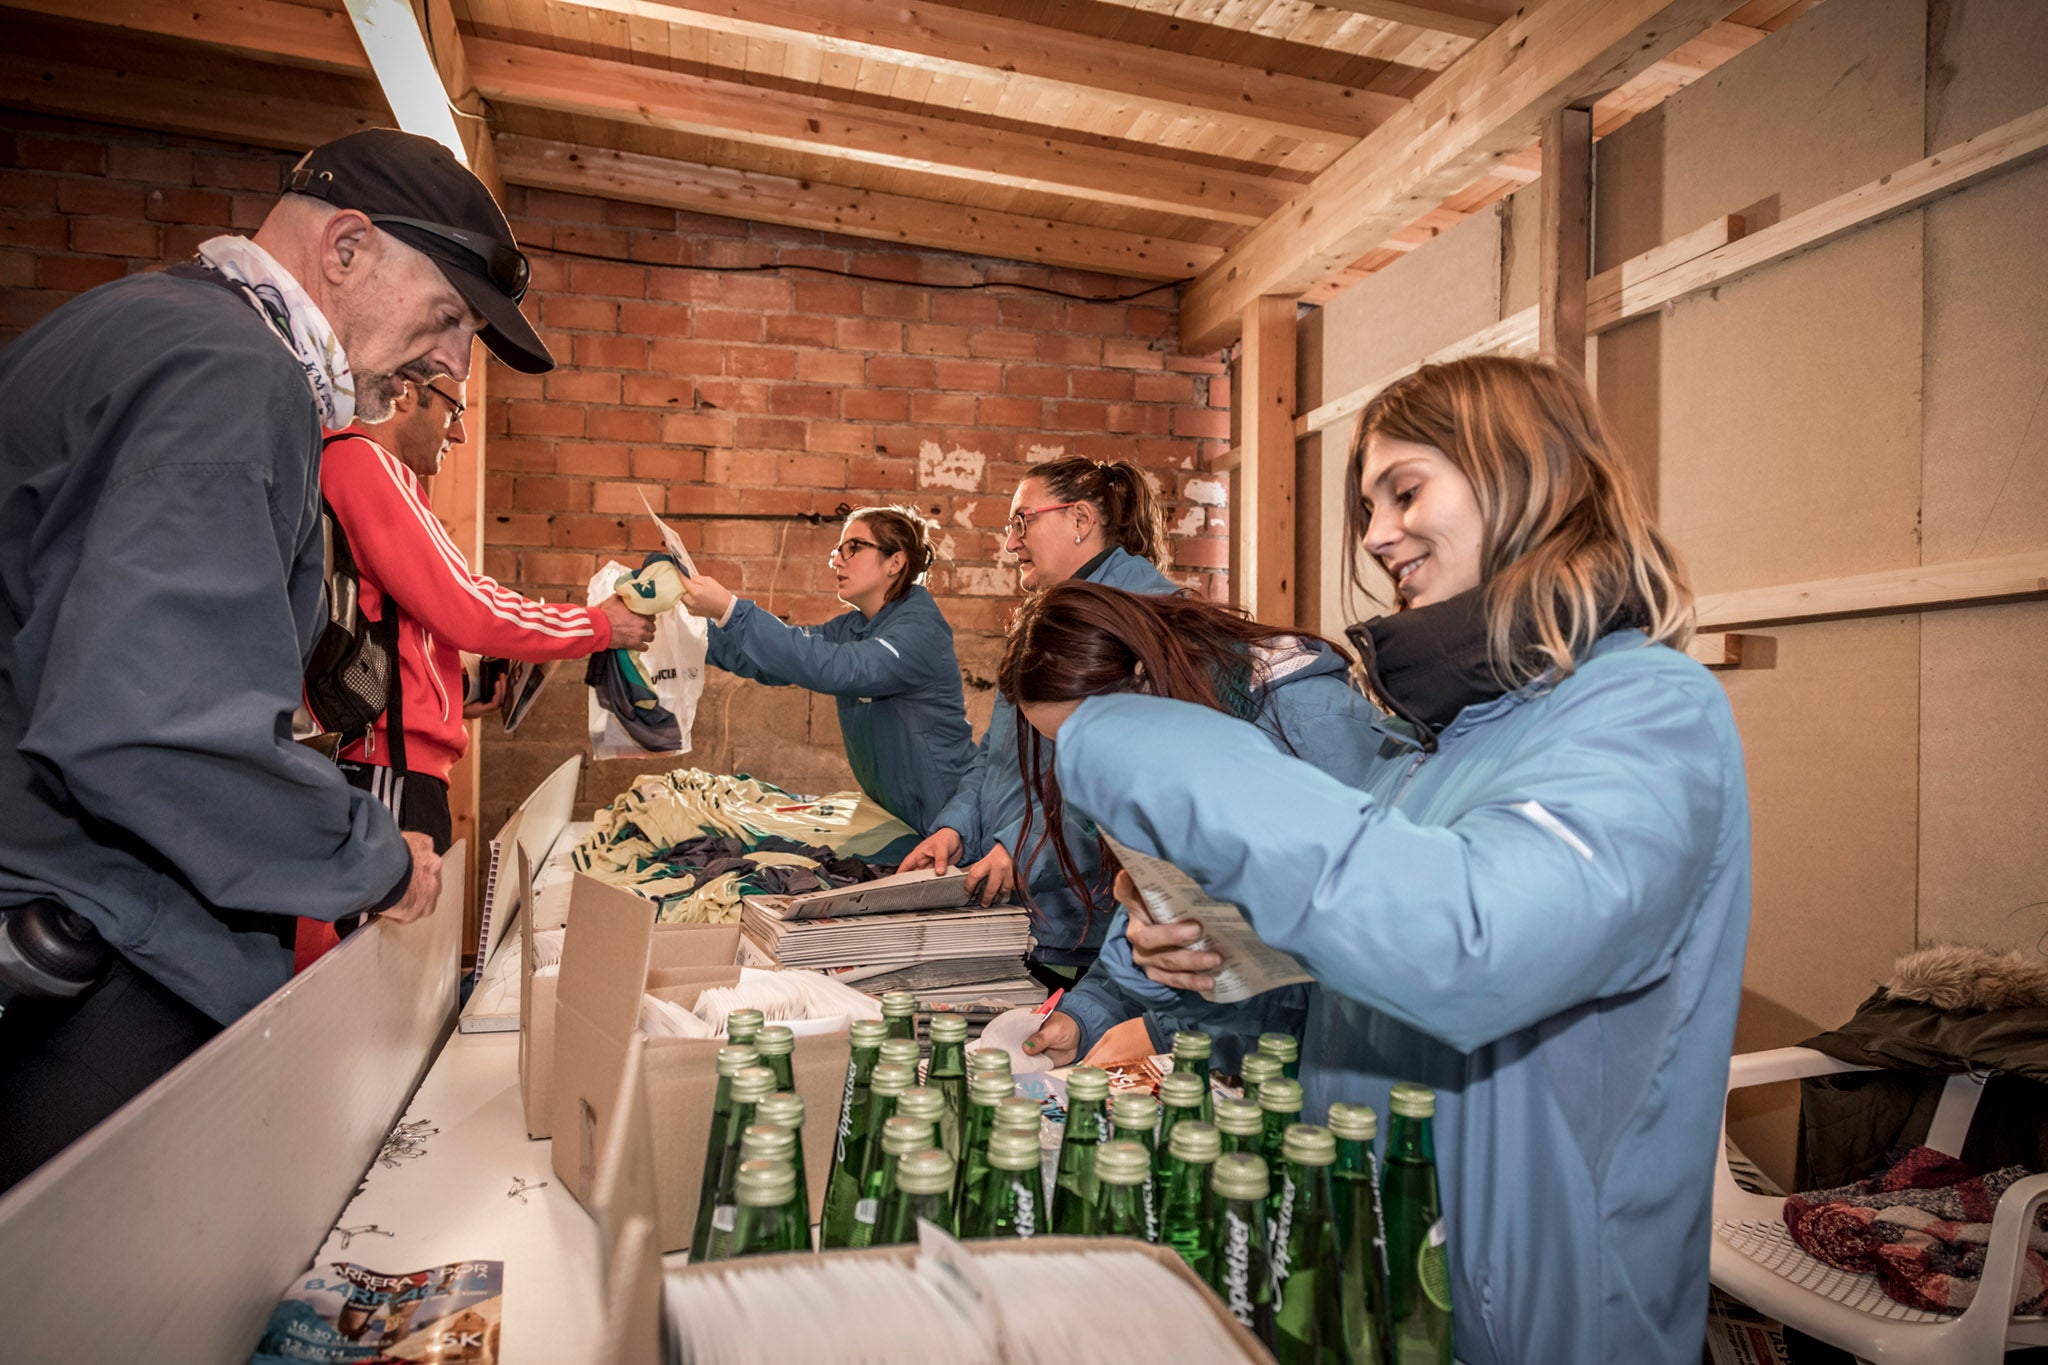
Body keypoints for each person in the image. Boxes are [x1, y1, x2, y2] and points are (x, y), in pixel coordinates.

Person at [1040, 356, 1751, 1365]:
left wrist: (1132, 737)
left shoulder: (1647, 711)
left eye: (1405, 491)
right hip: (1390, 1280)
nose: (1375, 537)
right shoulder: (1449, 737)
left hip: (1539, 1323)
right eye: (1368, 507)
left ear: (1525, 479)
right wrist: (1243, 949)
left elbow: (1472, 947)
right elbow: (1384, 925)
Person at [0, 127, 554, 1191]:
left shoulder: (128, 327)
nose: (448, 364)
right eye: (447, 318)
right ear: (345, 247)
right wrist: (376, 856)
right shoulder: (228, 373)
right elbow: (157, 727)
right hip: (83, 939)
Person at [981, 580, 1381, 1068]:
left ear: (1142, 681)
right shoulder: (1157, 748)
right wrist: (1089, 1014)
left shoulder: (1313, 726)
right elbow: (1158, 923)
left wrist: (1166, 1031)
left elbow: (1349, 953)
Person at [322, 374, 654, 854]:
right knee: (375, 928)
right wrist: (599, 625)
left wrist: (452, 691)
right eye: (454, 412)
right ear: (408, 391)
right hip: (382, 769)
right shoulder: (363, 462)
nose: (458, 433)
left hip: (383, 765)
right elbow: (467, 606)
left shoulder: (357, 465)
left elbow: (388, 620)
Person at [899, 456, 1178, 986]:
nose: (1010, 543)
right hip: (1031, 899)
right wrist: (958, 827)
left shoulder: (1145, 618)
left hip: (1090, 922)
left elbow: (1121, 786)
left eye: (1022, 522)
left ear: (1079, 521)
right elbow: (996, 752)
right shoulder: (1048, 614)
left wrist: (1022, 847)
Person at [672, 506, 972, 834]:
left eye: (853, 548)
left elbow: (839, 668)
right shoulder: (855, 627)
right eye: (838, 551)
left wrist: (731, 610)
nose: (838, 560)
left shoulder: (919, 628)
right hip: (898, 817)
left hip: (949, 816)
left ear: (895, 562)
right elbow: (776, 660)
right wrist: (683, 630)